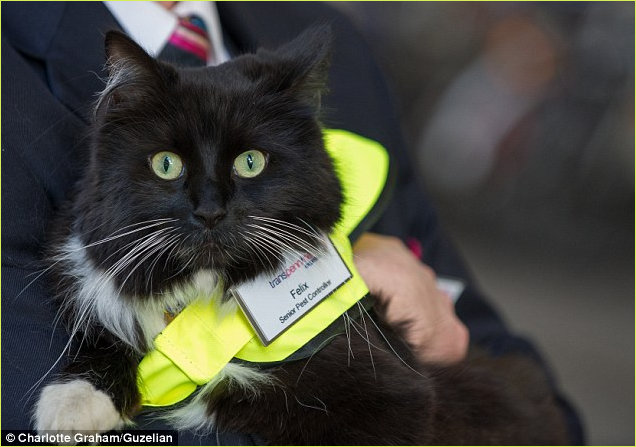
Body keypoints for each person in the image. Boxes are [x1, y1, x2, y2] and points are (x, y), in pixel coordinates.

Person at [1, 2, 583, 444]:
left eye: (250, 163)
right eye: (168, 165)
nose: (209, 209)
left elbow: (520, 374)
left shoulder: (335, 44)